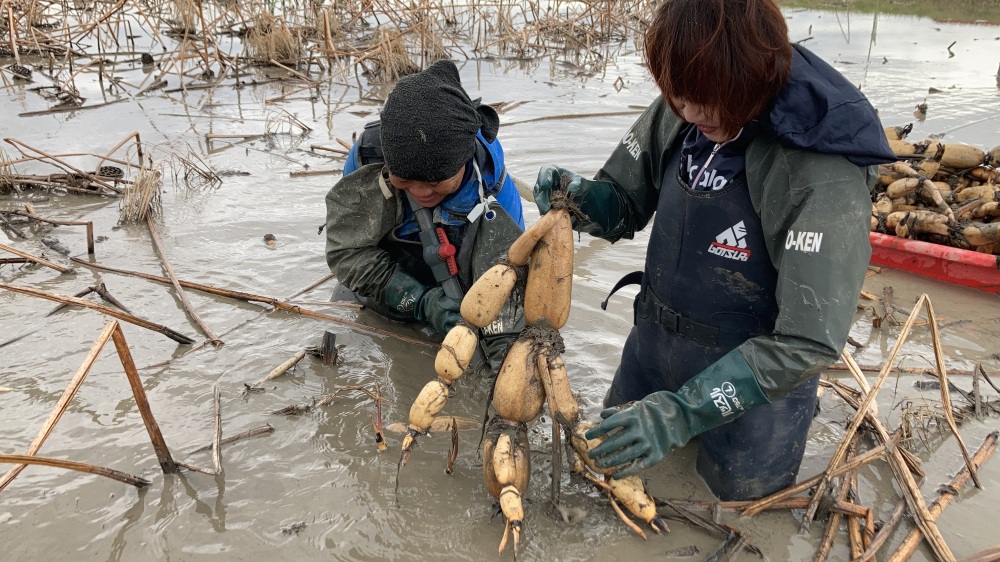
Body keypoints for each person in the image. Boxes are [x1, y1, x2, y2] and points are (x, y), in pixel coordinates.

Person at [532, 0, 896, 500]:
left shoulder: (819, 171)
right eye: (679, 97)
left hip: (755, 392)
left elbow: (808, 341)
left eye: (705, 100)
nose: (692, 113)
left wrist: (682, 412)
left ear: (752, 78)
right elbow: (622, 202)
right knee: (598, 475)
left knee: (733, 511)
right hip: (656, 348)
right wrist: (580, 199)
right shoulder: (687, 100)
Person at [325, 59, 526, 372]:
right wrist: (420, 302)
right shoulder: (368, 157)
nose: (421, 193)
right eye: (404, 181)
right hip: (388, 284)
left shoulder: (492, 189)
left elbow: (510, 286)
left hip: (463, 292)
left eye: (435, 183)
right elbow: (348, 253)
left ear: (462, 163)